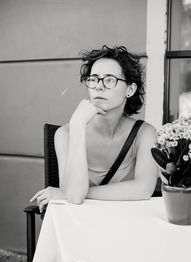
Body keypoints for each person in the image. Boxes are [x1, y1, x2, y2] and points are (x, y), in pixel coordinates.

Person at [30, 45, 158, 212]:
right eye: (93, 79)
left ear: (130, 89)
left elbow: (143, 190)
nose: (99, 86)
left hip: (126, 224)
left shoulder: (144, 133)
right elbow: (75, 196)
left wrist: (80, 193)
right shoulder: (66, 133)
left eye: (110, 79)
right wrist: (77, 125)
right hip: (80, 227)